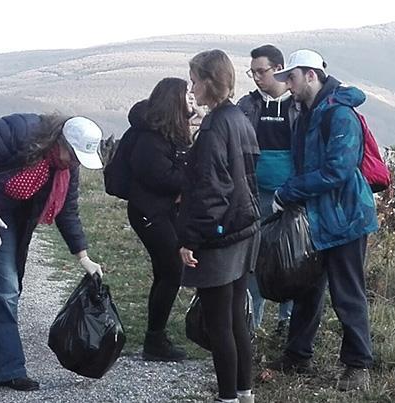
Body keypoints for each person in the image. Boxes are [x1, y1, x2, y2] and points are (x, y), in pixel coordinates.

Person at [0, 113, 105, 399]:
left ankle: (9, 370)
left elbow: (68, 211)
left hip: (4, 219)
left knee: (7, 290)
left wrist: (83, 257)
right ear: (60, 140)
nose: (74, 163)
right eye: (73, 155)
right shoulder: (16, 131)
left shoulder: (65, 167)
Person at [267, 49, 379, 392]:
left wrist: (289, 192)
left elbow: (338, 171)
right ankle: (297, 355)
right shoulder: (307, 113)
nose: (287, 83)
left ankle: (358, 367)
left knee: (348, 293)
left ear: (311, 75)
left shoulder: (339, 114)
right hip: (318, 217)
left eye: (292, 77)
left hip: (345, 218)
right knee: (306, 288)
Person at [178, 49, 260, 403]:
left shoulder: (214, 127)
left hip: (219, 235)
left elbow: (210, 189)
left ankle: (227, 397)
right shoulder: (240, 118)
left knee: (218, 323)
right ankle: (245, 393)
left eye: (195, 80)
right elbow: (249, 173)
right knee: (236, 318)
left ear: (211, 82)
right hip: (244, 229)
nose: (192, 88)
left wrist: (190, 239)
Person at [125, 77, 196, 361]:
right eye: (186, 96)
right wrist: (190, 182)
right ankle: (154, 340)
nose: (191, 99)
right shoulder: (151, 137)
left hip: (158, 211)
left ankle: (155, 337)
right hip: (149, 212)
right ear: (173, 101)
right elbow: (160, 177)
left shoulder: (166, 132)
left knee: (166, 272)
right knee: (171, 271)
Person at [235, 44, 297, 334]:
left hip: (293, 194)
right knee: (254, 258)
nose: (257, 77)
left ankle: (287, 320)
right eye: (253, 72)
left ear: (279, 68)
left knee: (294, 255)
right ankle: (252, 322)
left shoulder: (298, 104)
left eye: (262, 71)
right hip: (255, 193)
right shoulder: (247, 106)